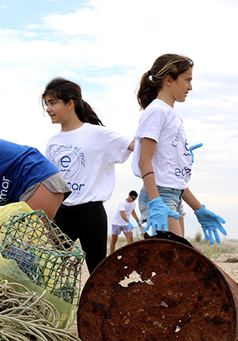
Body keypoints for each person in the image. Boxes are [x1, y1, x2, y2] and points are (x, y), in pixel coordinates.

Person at [42, 77, 135, 273]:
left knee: (98, 271)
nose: (48, 109)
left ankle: (100, 305)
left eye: (53, 103)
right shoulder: (53, 142)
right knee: (50, 269)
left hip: (91, 213)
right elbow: (50, 184)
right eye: (47, 104)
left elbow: (138, 147)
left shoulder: (99, 134)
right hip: (62, 213)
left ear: (70, 104)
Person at [133, 53, 226, 243]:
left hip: (173, 196)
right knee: (171, 266)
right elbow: (144, 161)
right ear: (169, 80)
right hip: (159, 196)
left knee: (176, 264)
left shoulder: (171, 114)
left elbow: (173, 178)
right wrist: (156, 201)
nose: (190, 87)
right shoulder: (157, 111)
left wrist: (198, 208)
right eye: (187, 80)